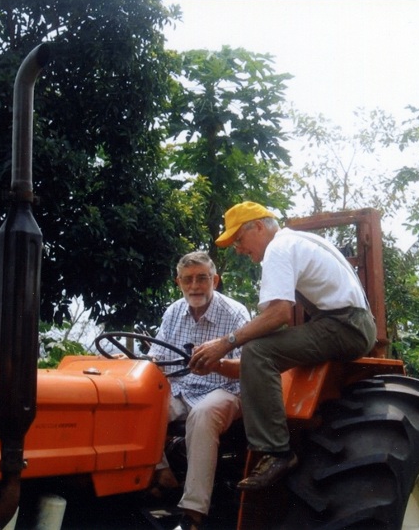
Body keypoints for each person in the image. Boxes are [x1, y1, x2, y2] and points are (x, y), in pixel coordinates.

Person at [189, 202, 377, 491]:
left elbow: (278, 316)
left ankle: (276, 451)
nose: (238, 249)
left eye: (239, 239)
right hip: (350, 322)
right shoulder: (298, 240)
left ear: (260, 227)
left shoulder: (278, 248)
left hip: (344, 325)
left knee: (257, 350)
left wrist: (225, 343)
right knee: (260, 353)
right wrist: (225, 362)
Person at [147, 251, 250, 530]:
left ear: (215, 280)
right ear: (178, 282)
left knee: (203, 414)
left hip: (226, 388)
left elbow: (247, 367)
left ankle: (193, 514)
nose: (195, 286)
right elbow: (156, 358)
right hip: (182, 387)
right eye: (188, 280)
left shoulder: (235, 313)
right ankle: (162, 472)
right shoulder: (173, 312)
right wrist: (137, 363)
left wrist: (216, 365)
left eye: (202, 278)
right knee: (140, 402)